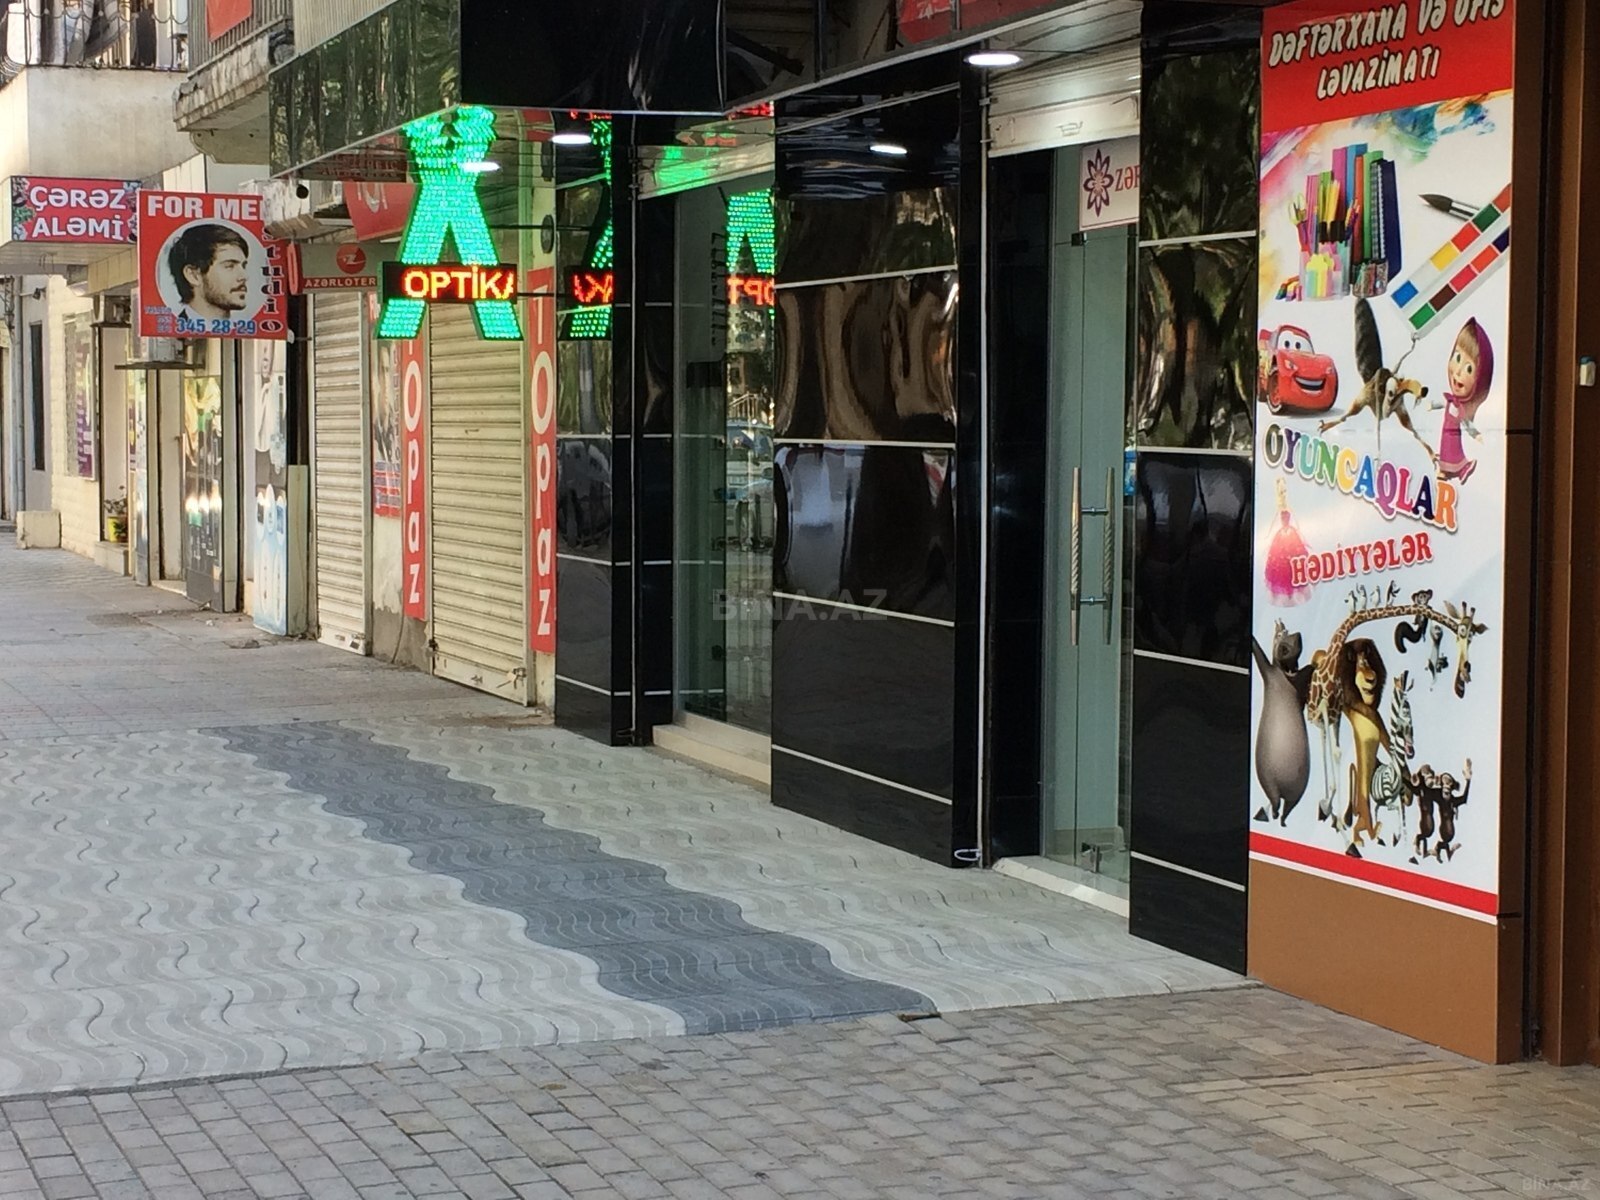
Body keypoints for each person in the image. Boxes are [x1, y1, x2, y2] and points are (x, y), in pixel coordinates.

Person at [1434, 318, 1494, 484]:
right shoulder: (1450, 400)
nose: (1458, 371)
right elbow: (1440, 403)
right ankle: (1444, 470)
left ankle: (1461, 469)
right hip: (1445, 435)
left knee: (1454, 453)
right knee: (1445, 451)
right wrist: (1429, 405)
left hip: (1454, 438)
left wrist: (1476, 435)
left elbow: (1467, 424)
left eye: (1469, 368)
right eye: (1457, 357)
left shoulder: (1463, 408)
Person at [168, 224, 252, 323]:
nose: (244, 276)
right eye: (229, 266)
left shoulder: (242, 328)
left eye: (243, 266)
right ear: (193, 276)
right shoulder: (173, 330)